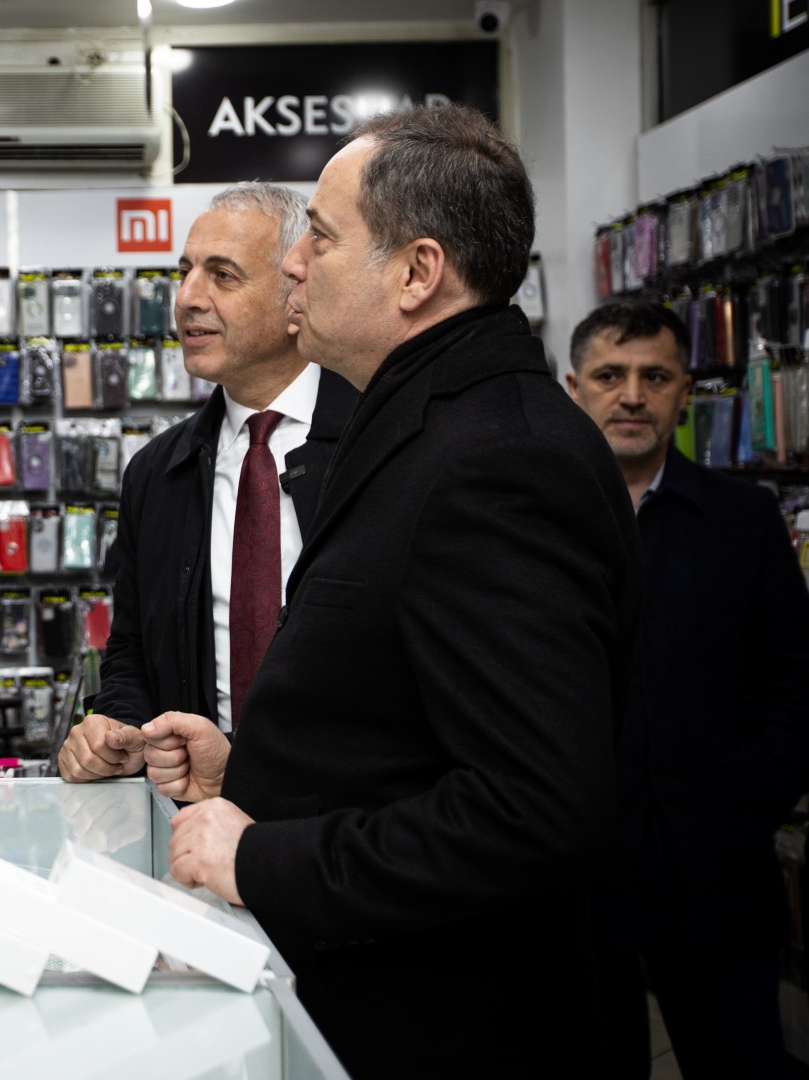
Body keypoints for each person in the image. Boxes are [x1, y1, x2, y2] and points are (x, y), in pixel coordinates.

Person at [148, 104, 641, 1077]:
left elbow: (532, 809)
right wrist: (250, 770)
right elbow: (406, 721)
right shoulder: (436, 424)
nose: (295, 262)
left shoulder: (496, 461)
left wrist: (262, 858)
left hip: (451, 1026)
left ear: (417, 273)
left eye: (322, 238)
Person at [567, 300, 809, 1080]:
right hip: (574, 877)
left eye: (655, 376)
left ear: (684, 391)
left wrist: (750, 797)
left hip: (717, 875)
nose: (632, 395)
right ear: (575, 388)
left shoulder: (744, 518)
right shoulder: (535, 519)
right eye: (611, 375)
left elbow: (794, 680)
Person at [58, 183, 357, 782]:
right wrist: (113, 731)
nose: (188, 297)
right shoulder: (156, 473)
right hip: (192, 827)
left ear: (295, 290)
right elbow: (132, 654)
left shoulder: (376, 446)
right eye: (186, 271)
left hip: (345, 827)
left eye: (223, 275)